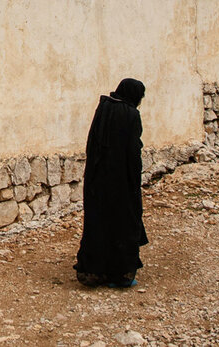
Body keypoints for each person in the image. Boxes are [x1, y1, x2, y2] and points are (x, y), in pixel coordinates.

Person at [74, 78, 148, 288]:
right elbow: (132, 152)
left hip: (97, 181)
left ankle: (94, 271)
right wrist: (134, 183)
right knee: (123, 224)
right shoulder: (131, 115)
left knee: (98, 224)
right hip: (121, 183)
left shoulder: (104, 108)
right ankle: (120, 274)